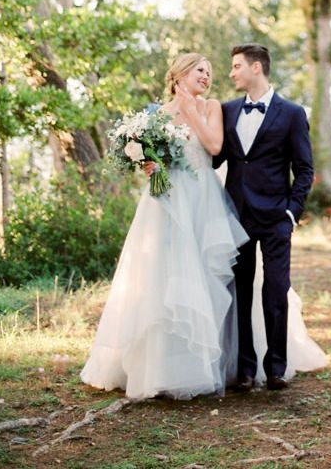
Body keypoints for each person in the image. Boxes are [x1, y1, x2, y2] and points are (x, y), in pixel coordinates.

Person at [81, 53, 247, 401]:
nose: (207, 76)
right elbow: (144, 155)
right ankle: (158, 368)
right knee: (159, 276)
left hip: (202, 197)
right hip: (166, 199)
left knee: (201, 276)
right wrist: (148, 165)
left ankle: (199, 366)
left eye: (210, 72)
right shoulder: (154, 115)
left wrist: (190, 112)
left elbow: (215, 147)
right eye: (201, 70)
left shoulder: (211, 106)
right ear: (180, 74)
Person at [215, 43, 318, 391]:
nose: (231, 73)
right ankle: (245, 370)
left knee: (276, 290)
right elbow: (213, 158)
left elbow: (304, 168)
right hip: (237, 216)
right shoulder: (226, 111)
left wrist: (292, 211)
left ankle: (275, 367)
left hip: (276, 217)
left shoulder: (291, 113)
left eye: (236, 66)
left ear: (256, 68)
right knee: (240, 293)